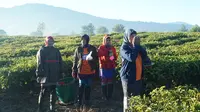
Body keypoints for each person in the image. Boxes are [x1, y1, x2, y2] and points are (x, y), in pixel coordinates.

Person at [120, 29, 152, 112]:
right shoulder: (124, 48)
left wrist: (139, 46)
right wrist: (136, 47)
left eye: (135, 36)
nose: (133, 38)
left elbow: (144, 55)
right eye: (131, 36)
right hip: (128, 78)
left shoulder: (136, 47)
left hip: (138, 77)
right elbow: (131, 58)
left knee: (136, 98)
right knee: (128, 99)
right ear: (127, 37)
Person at [36, 36, 63, 112]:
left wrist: (61, 72)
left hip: (55, 74)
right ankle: (40, 108)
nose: (50, 42)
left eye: (51, 41)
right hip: (45, 75)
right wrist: (39, 75)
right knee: (43, 92)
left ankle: (52, 108)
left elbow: (60, 62)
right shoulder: (42, 50)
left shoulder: (56, 50)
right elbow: (39, 63)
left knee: (53, 91)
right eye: (49, 41)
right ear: (46, 42)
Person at [71, 34, 98, 111]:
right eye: (82, 40)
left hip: (90, 71)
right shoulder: (78, 49)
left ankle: (86, 105)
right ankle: (79, 104)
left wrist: (91, 59)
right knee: (81, 88)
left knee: (88, 88)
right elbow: (75, 60)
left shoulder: (92, 48)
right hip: (81, 72)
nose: (83, 41)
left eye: (85, 40)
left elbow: (96, 59)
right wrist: (74, 70)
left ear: (88, 40)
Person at [98, 34, 118, 101]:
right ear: (104, 41)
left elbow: (114, 57)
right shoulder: (101, 48)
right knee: (104, 81)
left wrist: (111, 56)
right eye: (107, 40)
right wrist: (108, 55)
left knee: (110, 81)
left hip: (111, 66)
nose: (108, 41)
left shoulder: (112, 48)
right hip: (104, 67)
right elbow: (102, 57)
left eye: (109, 40)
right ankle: (104, 96)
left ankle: (109, 96)